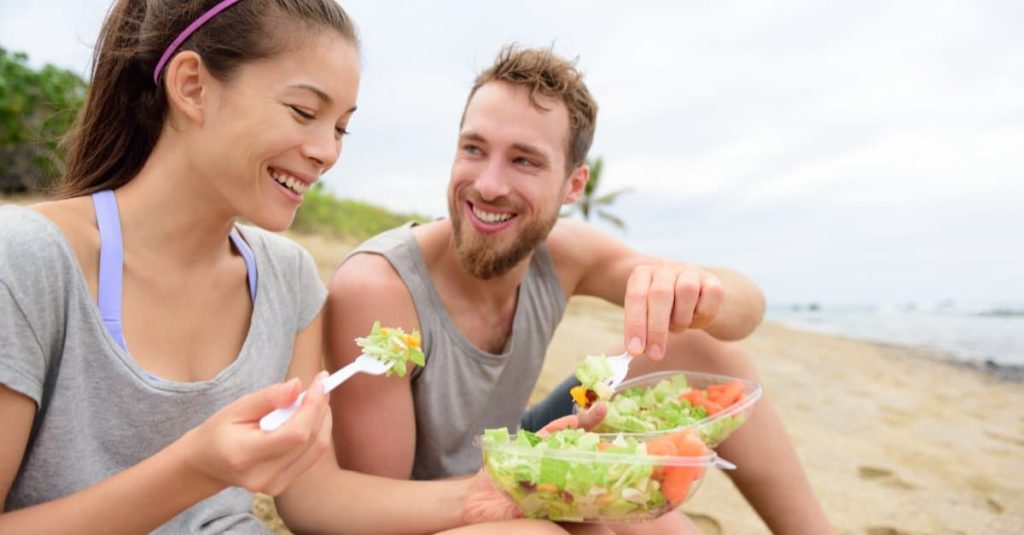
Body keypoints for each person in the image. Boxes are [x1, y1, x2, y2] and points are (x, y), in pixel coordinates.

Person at [0, 2, 601, 534]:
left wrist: (500, 487)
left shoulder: (286, 278)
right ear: (191, 85)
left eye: (340, 127)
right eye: (303, 111)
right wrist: (194, 468)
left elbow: (314, 500)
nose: (327, 151)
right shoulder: (29, 260)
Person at [326, 45, 835, 534]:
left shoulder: (564, 254)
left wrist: (698, 288)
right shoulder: (381, 289)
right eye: (474, 149)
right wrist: (555, 486)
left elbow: (747, 308)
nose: (488, 184)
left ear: (574, 186)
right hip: (434, 502)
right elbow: (376, 509)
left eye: (524, 160)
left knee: (702, 339)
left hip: (519, 441)